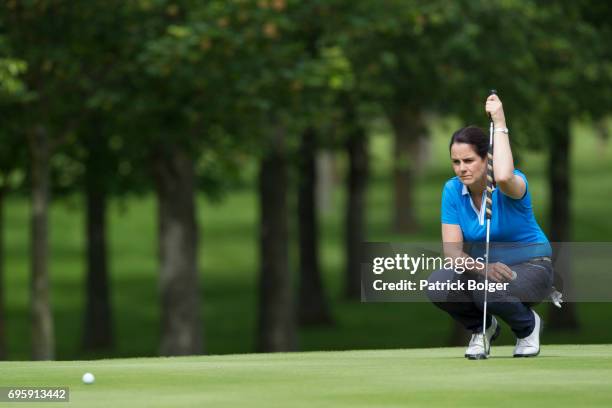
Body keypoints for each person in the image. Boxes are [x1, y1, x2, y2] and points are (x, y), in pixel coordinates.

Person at [426, 93, 554, 359]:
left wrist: (499, 120)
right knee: (438, 284)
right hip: (485, 273)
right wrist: (484, 268)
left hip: (532, 268)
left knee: (486, 291)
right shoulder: (451, 190)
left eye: (469, 160)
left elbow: (504, 174)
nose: (461, 168)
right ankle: (482, 328)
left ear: (487, 159)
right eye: (456, 161)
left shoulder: (511, 185)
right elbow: (452, 254)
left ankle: (527, 326)